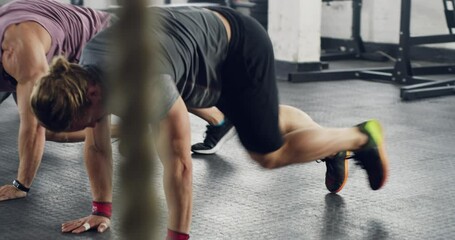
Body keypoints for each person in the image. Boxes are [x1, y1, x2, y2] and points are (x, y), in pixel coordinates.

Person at [30, 6, 389, 238]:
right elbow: (96, 144)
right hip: (203, 44)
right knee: (260, 119)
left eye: (78, 122)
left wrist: (177, 236)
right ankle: (330, 148)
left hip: (238, 49)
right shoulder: (85, 73)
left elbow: (180, 164)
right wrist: (101, 209)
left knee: (267, 154)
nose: (82, 129)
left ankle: (360, 137)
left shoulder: (142, 82)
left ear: (91, 95)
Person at [0, 0, 116, 201]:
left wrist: (20, 185)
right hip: (55, 44)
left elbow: (36, 128)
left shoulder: (20, 52)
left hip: (104, 39)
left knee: (48, 124)